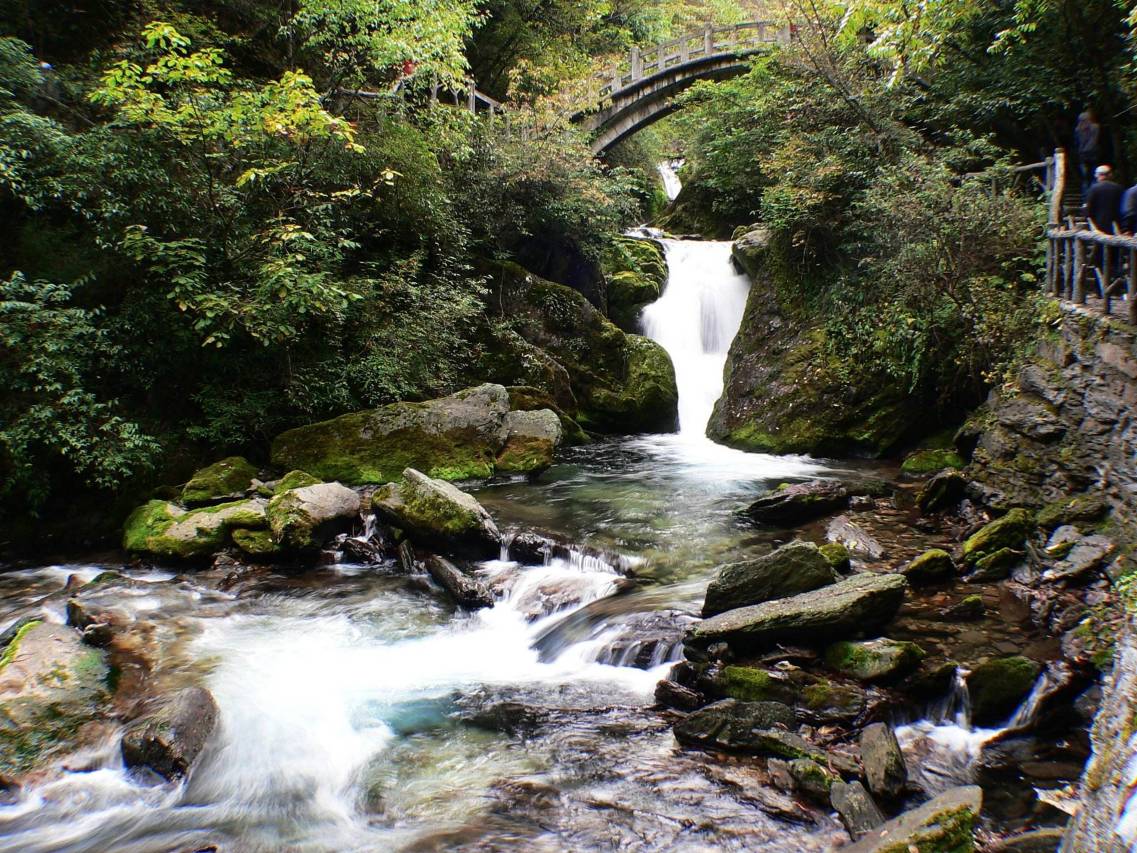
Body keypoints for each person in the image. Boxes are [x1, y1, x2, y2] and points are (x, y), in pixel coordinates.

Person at [1085, 164, 1124, 232]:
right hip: (1116, 224)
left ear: (1097, 175)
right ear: (1110, 174)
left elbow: (1089, 209)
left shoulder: (1094, 188)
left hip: (1098, 224)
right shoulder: (1119, 188)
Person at [1076, 109, 1102, 194]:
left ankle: (1091, 195)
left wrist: (1083, 151)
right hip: (1086, 156)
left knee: (1092, 176)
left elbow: (1092, 141)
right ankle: (1087, 197)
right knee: (1087, 178)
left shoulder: (1094, 127)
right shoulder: (1079, 129)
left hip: (1091, 155)